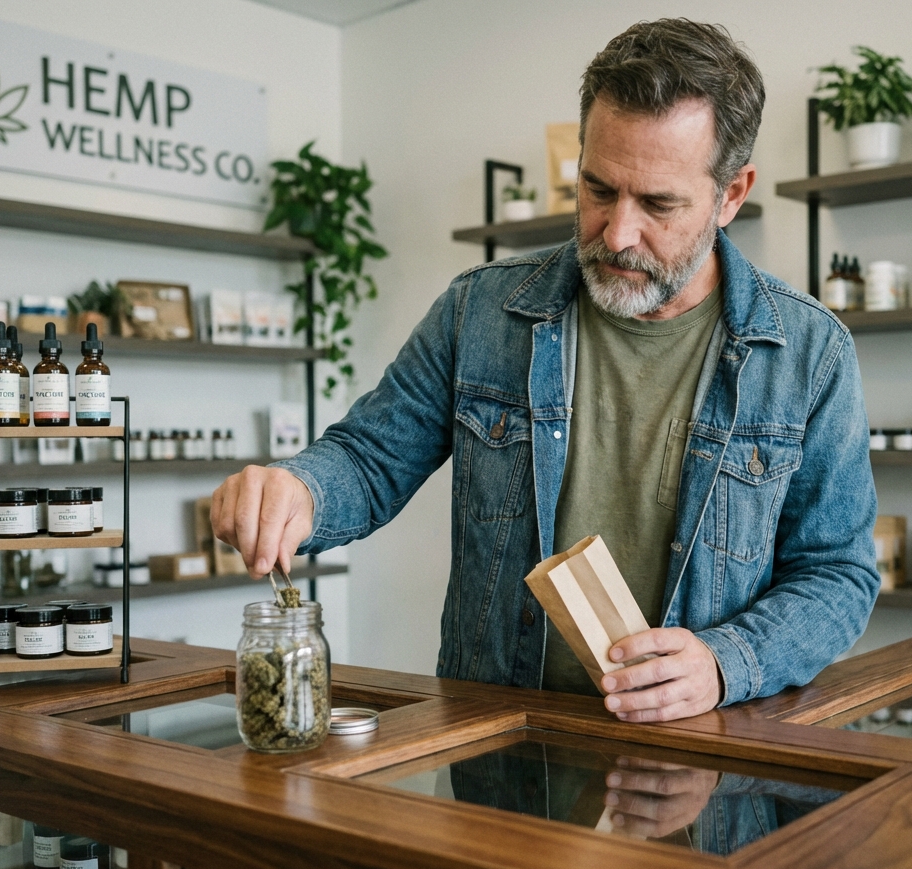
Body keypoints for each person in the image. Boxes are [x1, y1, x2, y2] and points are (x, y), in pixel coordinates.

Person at [212, 18, 878, 723]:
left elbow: (837, 575)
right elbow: (370, 457)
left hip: (700, 765)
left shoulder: (810, 353)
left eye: (657, 204)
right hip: (497, 748)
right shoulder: (480, 311)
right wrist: (299, 490)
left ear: (732, 194)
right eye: (597, 190)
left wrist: (723, 662)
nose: (617, 233)